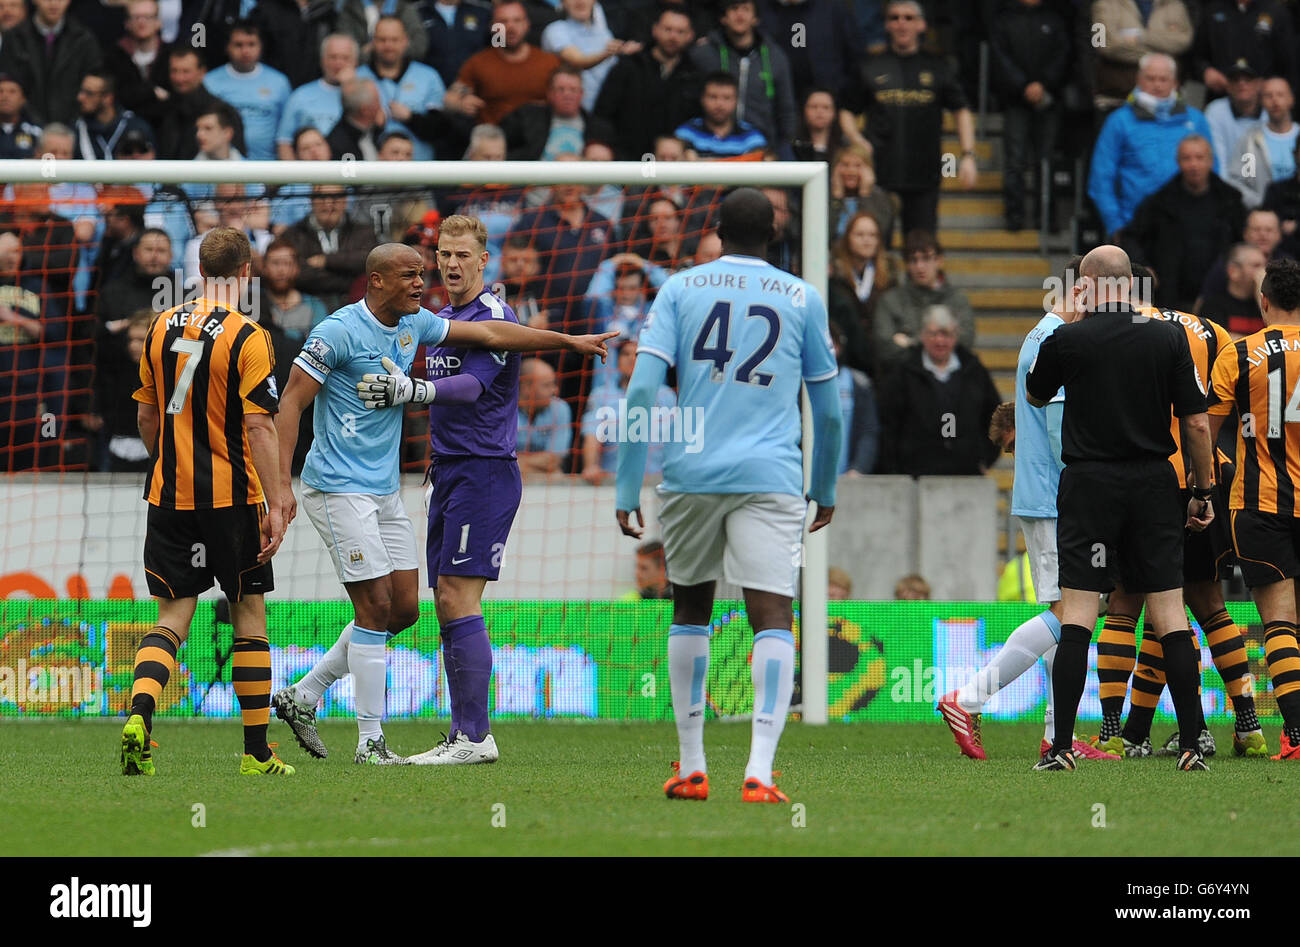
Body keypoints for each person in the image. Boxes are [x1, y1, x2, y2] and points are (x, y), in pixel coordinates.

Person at [270, 240, 615, 763]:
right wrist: (279, 487)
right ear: (377, 281)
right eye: (410, 274)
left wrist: (565, 340)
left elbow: (494, 333)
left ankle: (305, 695)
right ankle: (371, 742)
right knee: (375, 606)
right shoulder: (337, 331)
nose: (421, 282)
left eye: (422, 272)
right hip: (337, 486)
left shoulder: (419, 324)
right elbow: (290, 403)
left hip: (386, 489)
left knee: (404, 609)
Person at [615, 187, 843, 804]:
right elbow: (829, 406)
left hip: (691, 472)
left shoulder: (680, 289)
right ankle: (761, 773)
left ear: (714, 230)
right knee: (772, 615)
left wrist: (628, 481)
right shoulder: (801, 296)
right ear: (773, 233)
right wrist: (824, 485)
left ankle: (693, 767)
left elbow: (639, 395)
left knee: (690, 609)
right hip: (771, 477)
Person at [1025, 244, 1216, 771]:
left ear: (1084, 286)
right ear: (1131, 286)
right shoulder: (1167, 337)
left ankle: (1061, 747)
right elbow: (1197, 424)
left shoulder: (1068, 338)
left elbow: (1036, 396)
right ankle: (1194, 744)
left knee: (1080, 616)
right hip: (1154, 483)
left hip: (1088, 484)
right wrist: (1201, 491)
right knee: (1169, 613)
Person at [121, 227, 291, 777]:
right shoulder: (250, 336)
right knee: (248, 614)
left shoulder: (160, 325)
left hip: (168, 496)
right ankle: (256, 754)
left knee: (173, 614)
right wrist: (276, 499)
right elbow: (261, 427)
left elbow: (148, 415)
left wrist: (168, 460)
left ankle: (140, 717)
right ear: (247, 271)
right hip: (232, 498)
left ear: (199, 267)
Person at [939, 255, 1118, 761]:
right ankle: (966, 699)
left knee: (1073, 611)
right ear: (1080, 292)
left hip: (1048, 496)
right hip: (1054, 497)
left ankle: (1056, 736)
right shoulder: (1055, 342)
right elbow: (1063, 434)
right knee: (1070, 613)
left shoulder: (1040, 336)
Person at [1091, 292, 1265, 759]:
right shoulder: (1211, 329)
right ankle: (1245, 724)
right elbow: (1222, 401)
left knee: (1129, 604)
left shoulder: (1129, 328)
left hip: (1148, 475)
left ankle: (1115, 732)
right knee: (1206, 605)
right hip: (1209, 470)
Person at [1206, 257, 1300, 761]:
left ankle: (1297, 736)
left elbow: (1204, 428)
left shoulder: (1239, 354)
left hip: (1260, 505)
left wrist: (1204, 486)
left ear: (1263, 302)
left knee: (1280, 623)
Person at [842, 0, 978, 237]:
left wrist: (967, 155)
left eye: (908, 17)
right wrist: (856, 139)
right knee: (874, 246)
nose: (901, 23)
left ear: (922, 25)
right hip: (879, 177)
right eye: (894, 18)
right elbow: (846, 110)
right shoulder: (870, 66)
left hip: (924, 176)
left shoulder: (938, 66)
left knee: (921, 249)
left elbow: (962, 109)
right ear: (886, 25)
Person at [1088, 53, 1215, 242]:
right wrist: (1116, 225)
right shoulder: (1119, 121)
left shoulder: (1196, 120)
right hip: (1135, 226)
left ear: (1175, 83)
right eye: (1150, 78)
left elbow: (1213, 170)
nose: (1157, 85)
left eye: (1164, 79)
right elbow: (1101, 179)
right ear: (1138, 80)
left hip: (1189, 224)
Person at [1121, 134, 1245, 312]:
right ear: (1178, 162)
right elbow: (1130, 238)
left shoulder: (1231, 200)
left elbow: (1243, 243)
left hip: (1220, 297)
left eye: (1200, 158)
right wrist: (1143, 268)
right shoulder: (1158, 202)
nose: (1193, 164)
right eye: (1187, 158)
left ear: (1211, 161)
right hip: (1170, 296)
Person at [876, 305, 1001, 477]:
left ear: (956, 335)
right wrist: (895, 468)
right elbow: (888, 423)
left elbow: (995, 416)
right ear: (922, 335)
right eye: (933, 334)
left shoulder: (974, 371)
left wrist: (985, 458)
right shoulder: (903, 373)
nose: (940, 341)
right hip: (915, 476)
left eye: (946, 334)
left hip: (967, 474)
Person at [988, 0, 1068, 232]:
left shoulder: (1055, 18)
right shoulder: (1004, 18)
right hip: (1014, 99)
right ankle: (1015, 216)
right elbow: (999, 56)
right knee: (1015, 160)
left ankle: (1047, 218)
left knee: (1047, 160)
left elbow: (1064, 54)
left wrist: (1043, 85)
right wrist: (1023, 85)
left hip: (1049, 99)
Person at [591, 4, 700, 161]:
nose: (673, 36)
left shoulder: (695, 75)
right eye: (668, 29)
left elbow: (697, 123)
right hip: (626, 163)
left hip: (673, 168)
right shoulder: (629, 66)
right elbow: (603, 114)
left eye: (680, 31)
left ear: (690, 35)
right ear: (655, 29)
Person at [688, 0, 795, 148]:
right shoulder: (703, 55)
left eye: (746, 9)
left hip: (761, 148)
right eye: (734, 8)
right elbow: (687, 101)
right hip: (706, 146)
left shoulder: (776, 58)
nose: (740, 14)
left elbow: (786, 110)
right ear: (723, 18)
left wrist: (783, 148)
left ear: (756, 19)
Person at [442, 1, 561, 126]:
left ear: (527, 24)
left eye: (517, 20)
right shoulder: (479, 63)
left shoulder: (549, 62)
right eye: (503, 22)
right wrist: (460, 104)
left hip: (538, 138)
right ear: (493, 27)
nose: (510, 27)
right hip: (493, 138)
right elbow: (450, 98)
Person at [873, 230, 975, 361]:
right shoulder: (890, 301)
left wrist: (911, 342)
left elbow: (965, 342)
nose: (919, 267)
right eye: (913, 260)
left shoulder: (957, 300)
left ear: (939, 260)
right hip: (903, 377)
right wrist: (939, 342)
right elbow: (884, 347)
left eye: (926, 258)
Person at [357, 15, 446, 161]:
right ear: (373, 42)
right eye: (382, 40)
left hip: (420, 173)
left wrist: (411, 118)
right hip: (371, 173)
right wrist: (373, 122)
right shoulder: (357, 78)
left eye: (394, 40)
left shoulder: (428, 76)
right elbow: (349, 128)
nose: (388, 45)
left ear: (405, 41)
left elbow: (440, 130)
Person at [0, 0, 103, 125]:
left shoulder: (83, 40)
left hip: (73, 126)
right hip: (24, 128)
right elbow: (9, 85)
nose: (54, 4)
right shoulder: (14, 38)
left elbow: (93, 84)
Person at [202, 20, 292, 162]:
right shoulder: (210, 82)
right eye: (238, 45)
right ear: (227, 47)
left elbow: (285, 132)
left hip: (267, 168)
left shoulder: (279, 82)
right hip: (223, 168)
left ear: (261, 46)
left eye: (251, 44)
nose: (245, 51)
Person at [1088, 0, 1193, 114]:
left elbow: (1184, 41)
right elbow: (1102, 44)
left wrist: (1140, 36)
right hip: (1116, 98)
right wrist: (1161, 56)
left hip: (1166, 104)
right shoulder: (1102, 4)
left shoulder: (1174, 4)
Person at [497, 63, 614, 161]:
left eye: (573, 90)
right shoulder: (527, 117)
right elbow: (498, 145)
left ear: (581, 94)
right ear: (549, 93)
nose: (567, 95)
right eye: (561, 89)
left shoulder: (599, 128)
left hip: (581, 187)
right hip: (534, 186)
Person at [541, 0, 640, 112]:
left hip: (607, 109)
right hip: (573, 110)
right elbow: (579, 62)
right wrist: (607, 53)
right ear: (563, 3)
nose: (580, 2)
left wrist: (624, 51)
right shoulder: (556, 30)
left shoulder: (603, 32)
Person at [274, 34, 360, 160]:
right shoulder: (301, 95)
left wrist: (349, 87)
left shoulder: (366, 90)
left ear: (355, 62)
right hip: (310, 174)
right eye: (333, 57)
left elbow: (377, 121)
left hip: (353, 170)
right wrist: (295, 179)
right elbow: (284, 142)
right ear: (322, 60)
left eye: (345, 58)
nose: (338, 63)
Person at [1193, 0, 1297, 103]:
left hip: (1265, 101)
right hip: (1221, 97)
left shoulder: (1276, 11)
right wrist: (1205, 71)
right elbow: (1196, 55)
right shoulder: (1213, 10)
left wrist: (1272, 84)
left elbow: (1290, 62)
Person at [1226, 77, 1298, 211]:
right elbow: (1241, 181)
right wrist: (1262, 204)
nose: (1275, 101)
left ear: (1291, 99)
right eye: (1268, 96)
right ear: (1261, 101)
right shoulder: (1251, 142)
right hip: (1263, 220)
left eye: (1280, 95)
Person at [71, 71, 154, 161]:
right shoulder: (76, 130)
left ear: (108, 98)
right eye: (82, 91)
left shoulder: (136, 127)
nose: (80, 97)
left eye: (89, 93)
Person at [515, 356, 571, 479]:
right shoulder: (504, 409)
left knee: (557, 474)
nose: (555, 390)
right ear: (526, 388)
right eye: (547, 385)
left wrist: (520, 462)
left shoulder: (560, 408)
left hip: (544, 476)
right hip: (509, 477)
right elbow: (499, 460)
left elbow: (553, 461)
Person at [1204, 59, 1263, 171]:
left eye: (1248, 79)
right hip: (1228, 185)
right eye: (1235, 80)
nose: (1242, 84)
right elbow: (1218, 159)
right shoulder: (1215, 111)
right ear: (1228, 86)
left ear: (1258, 84)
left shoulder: (1270, 110)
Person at [1197, 243, 1265, 337]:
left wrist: (1262, 295)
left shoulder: (1269, 304)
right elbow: (1220, 341)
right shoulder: (1213, 304)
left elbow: (1280, 336)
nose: (1264, 272)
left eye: (1265, 266)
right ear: (1234, 271)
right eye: (1256, 266)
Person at [325, 77, 386, 160]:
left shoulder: (378, 131)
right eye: (377, 100)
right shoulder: (338, 146)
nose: (381, 105)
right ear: (366, 111)